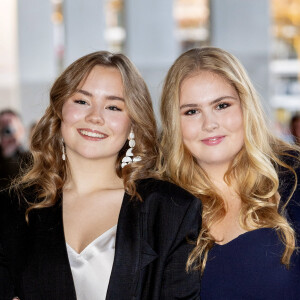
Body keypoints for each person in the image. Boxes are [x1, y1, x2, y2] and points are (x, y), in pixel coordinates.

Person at [0, 51, 202, 300]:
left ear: (133, 123)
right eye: (82, 101)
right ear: (59, 111)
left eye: (113, 106)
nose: (95, 117)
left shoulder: (171, 210)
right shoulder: (12, 208)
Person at [159, 47, 300, 299]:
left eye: (222, 105)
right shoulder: (159, 204)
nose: (209, 124)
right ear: (174, 123)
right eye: (191, 111)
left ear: (245, 106)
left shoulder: (294, 177)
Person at [0, 109, 29, 190]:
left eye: (11, 124)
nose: (8, 130)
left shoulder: (32, 155)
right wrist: (7, 155)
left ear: (22, 129)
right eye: (3, 125)